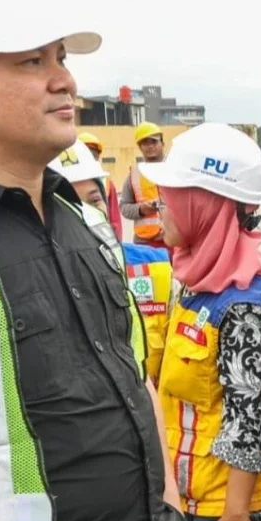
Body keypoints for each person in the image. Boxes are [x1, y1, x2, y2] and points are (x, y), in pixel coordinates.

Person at [0, 0, 197, 521]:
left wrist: (171, 501)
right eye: (32, 61)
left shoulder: (81, 219)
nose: (64, 81)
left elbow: (133, 374)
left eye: (61, 58)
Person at [142, 122, 261, 521]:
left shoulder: (243, 304)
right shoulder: (193, 279)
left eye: (169, 197)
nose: (157, 207)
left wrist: (234, 517)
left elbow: (247, 424)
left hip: (220, 504)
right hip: (190, 492)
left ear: (202, 205)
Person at [50, 139, 173, 385]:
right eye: (68, 205)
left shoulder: (155, 266)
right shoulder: (38, 287)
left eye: (94, 201)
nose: (86, 215)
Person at [123, 121, 168, 249]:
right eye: (145, 143)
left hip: (174, 241)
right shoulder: (134, 175)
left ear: (162, 143)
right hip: (145, 243)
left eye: (154, 142)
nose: (149, 146)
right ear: (140, 147)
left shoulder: (174, 171)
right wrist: (141, 209)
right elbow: (124, 208)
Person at [79, 130, 124, 240]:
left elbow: (115, 219)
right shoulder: (64, 181)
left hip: (103, 238)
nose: (89, 158)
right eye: (85, 154)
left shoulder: (107, 182)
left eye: (93, 155)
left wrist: (117, 242)